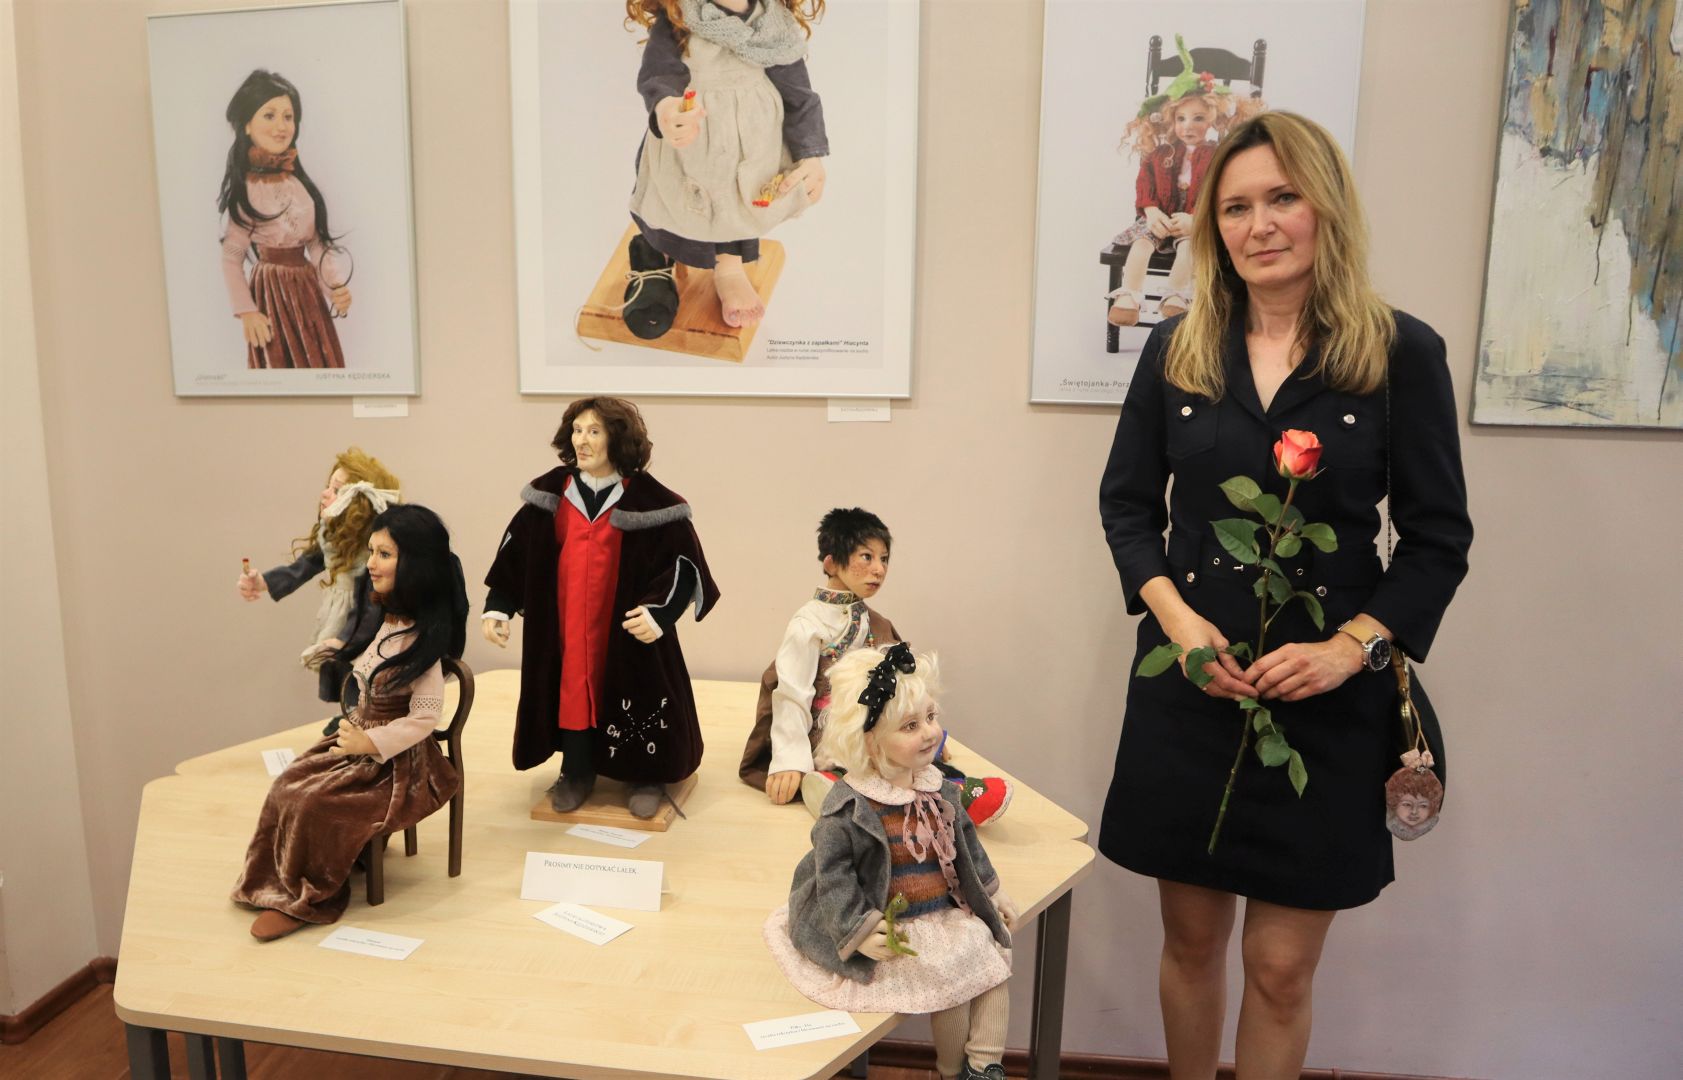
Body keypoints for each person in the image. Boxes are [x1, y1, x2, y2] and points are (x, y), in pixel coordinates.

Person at [1096, 111, 1472, 1076]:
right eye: (1234, 207)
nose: (1258, 225)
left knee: (1278, 969)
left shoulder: (1398, 352)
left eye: (1281, 199)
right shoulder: (1175, 348)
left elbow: (1437, 540)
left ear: (1325, 208)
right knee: (1189, 944)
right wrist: (1177, 624)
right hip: (1191, 687)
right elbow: (1126, 508)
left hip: (1325, 702)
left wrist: (1350, 649)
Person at [764, 644, 1017, 1080]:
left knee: (992, 968)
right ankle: (952, 1070)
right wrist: (858, 929)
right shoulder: (851, 809)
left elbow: (967, 845)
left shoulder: (939, 789)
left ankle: (984, 1065)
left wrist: (991, 890)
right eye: (911, 726)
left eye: (931, 717)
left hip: (943, 915)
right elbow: (834, 878)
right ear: (869, 739)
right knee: (952, 984)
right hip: (893, 922)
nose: (930, 733)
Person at [232, 504, 469, 942]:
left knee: (314, 802)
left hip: (397, 766)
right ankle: (275, 878)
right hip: (359, 738)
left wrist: (370, 743)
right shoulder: (390, 622)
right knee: (289, 783)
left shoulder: (423, 643)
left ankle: (308, 896)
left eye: (384, 554)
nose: (371, 563)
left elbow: (424, 718)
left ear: (415, 565)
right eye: (371, 552)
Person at [483, 396, 720, 819]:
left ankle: (645, 776)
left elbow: (683, 564)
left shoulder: (650, 501)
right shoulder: (552, 495)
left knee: (639, 689)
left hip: (625, 627)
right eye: (577, 430)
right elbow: (516, 552)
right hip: (568, 625)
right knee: (573, 690)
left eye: (594, 431)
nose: (582, 440)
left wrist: (660, 612)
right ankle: (577, 770)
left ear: (618, 438)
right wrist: (498, 605)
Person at [737, 507, 1012, 826]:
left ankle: (954, 793)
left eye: (884, 559)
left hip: (877, 728)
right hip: (829, 732)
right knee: (875, 766)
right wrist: (790, 761)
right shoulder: (808, 625)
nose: (879, 569)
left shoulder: (875, 623)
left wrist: (923, 729)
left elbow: (903, 684)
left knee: (906, 760)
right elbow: (791, 696)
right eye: (866, 557)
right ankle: (839, 789)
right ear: (831, 563)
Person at [619, 0, 829, 337]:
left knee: (739, 201)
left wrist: (811, 154)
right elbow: (659, 72)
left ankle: (729, 268)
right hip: (691, 138)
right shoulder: (679, 16)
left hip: (749, 145)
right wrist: (667, 106)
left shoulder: (774, 25)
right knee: (674, 199)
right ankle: (655, 255)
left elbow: (799, 96)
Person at [1107, 35, 1264, 328]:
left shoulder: (1218, 156)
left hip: (1195, 222)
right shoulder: (1161, 152)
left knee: (1189, 248)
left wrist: (1198, 219)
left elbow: (1224, 193)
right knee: (1141, 243)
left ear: (1213, 120)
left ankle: (1176, 297)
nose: (1188, 126)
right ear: (1172, 119)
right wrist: (1151, 211)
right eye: (1181, 119)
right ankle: (1128, 297)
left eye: (1198, 118)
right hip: (1158, 218)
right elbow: (1145, 182)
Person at [237, 447, 401, 703]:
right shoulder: (335, 535)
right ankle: (350, 713)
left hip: (364, 621)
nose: (325, 493)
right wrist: (264, 582)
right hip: (340, 612)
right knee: (342, 673)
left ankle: (363, 713)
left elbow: (373, 605)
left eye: (336, 490)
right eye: (328, 486)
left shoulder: (370, 551)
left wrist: (346, 639)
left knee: (363, 671)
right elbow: (306, 564)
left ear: (356, 503)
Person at [218, 69, 352, 369]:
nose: (281, 126)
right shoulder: (247, 191)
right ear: (247, 124)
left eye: (288, 117)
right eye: (269, 115)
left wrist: (333, 287)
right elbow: (231, 257)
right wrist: (247, 311)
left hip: (307, 291)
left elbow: (316, 244)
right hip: (273, 294)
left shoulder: (299, 184)